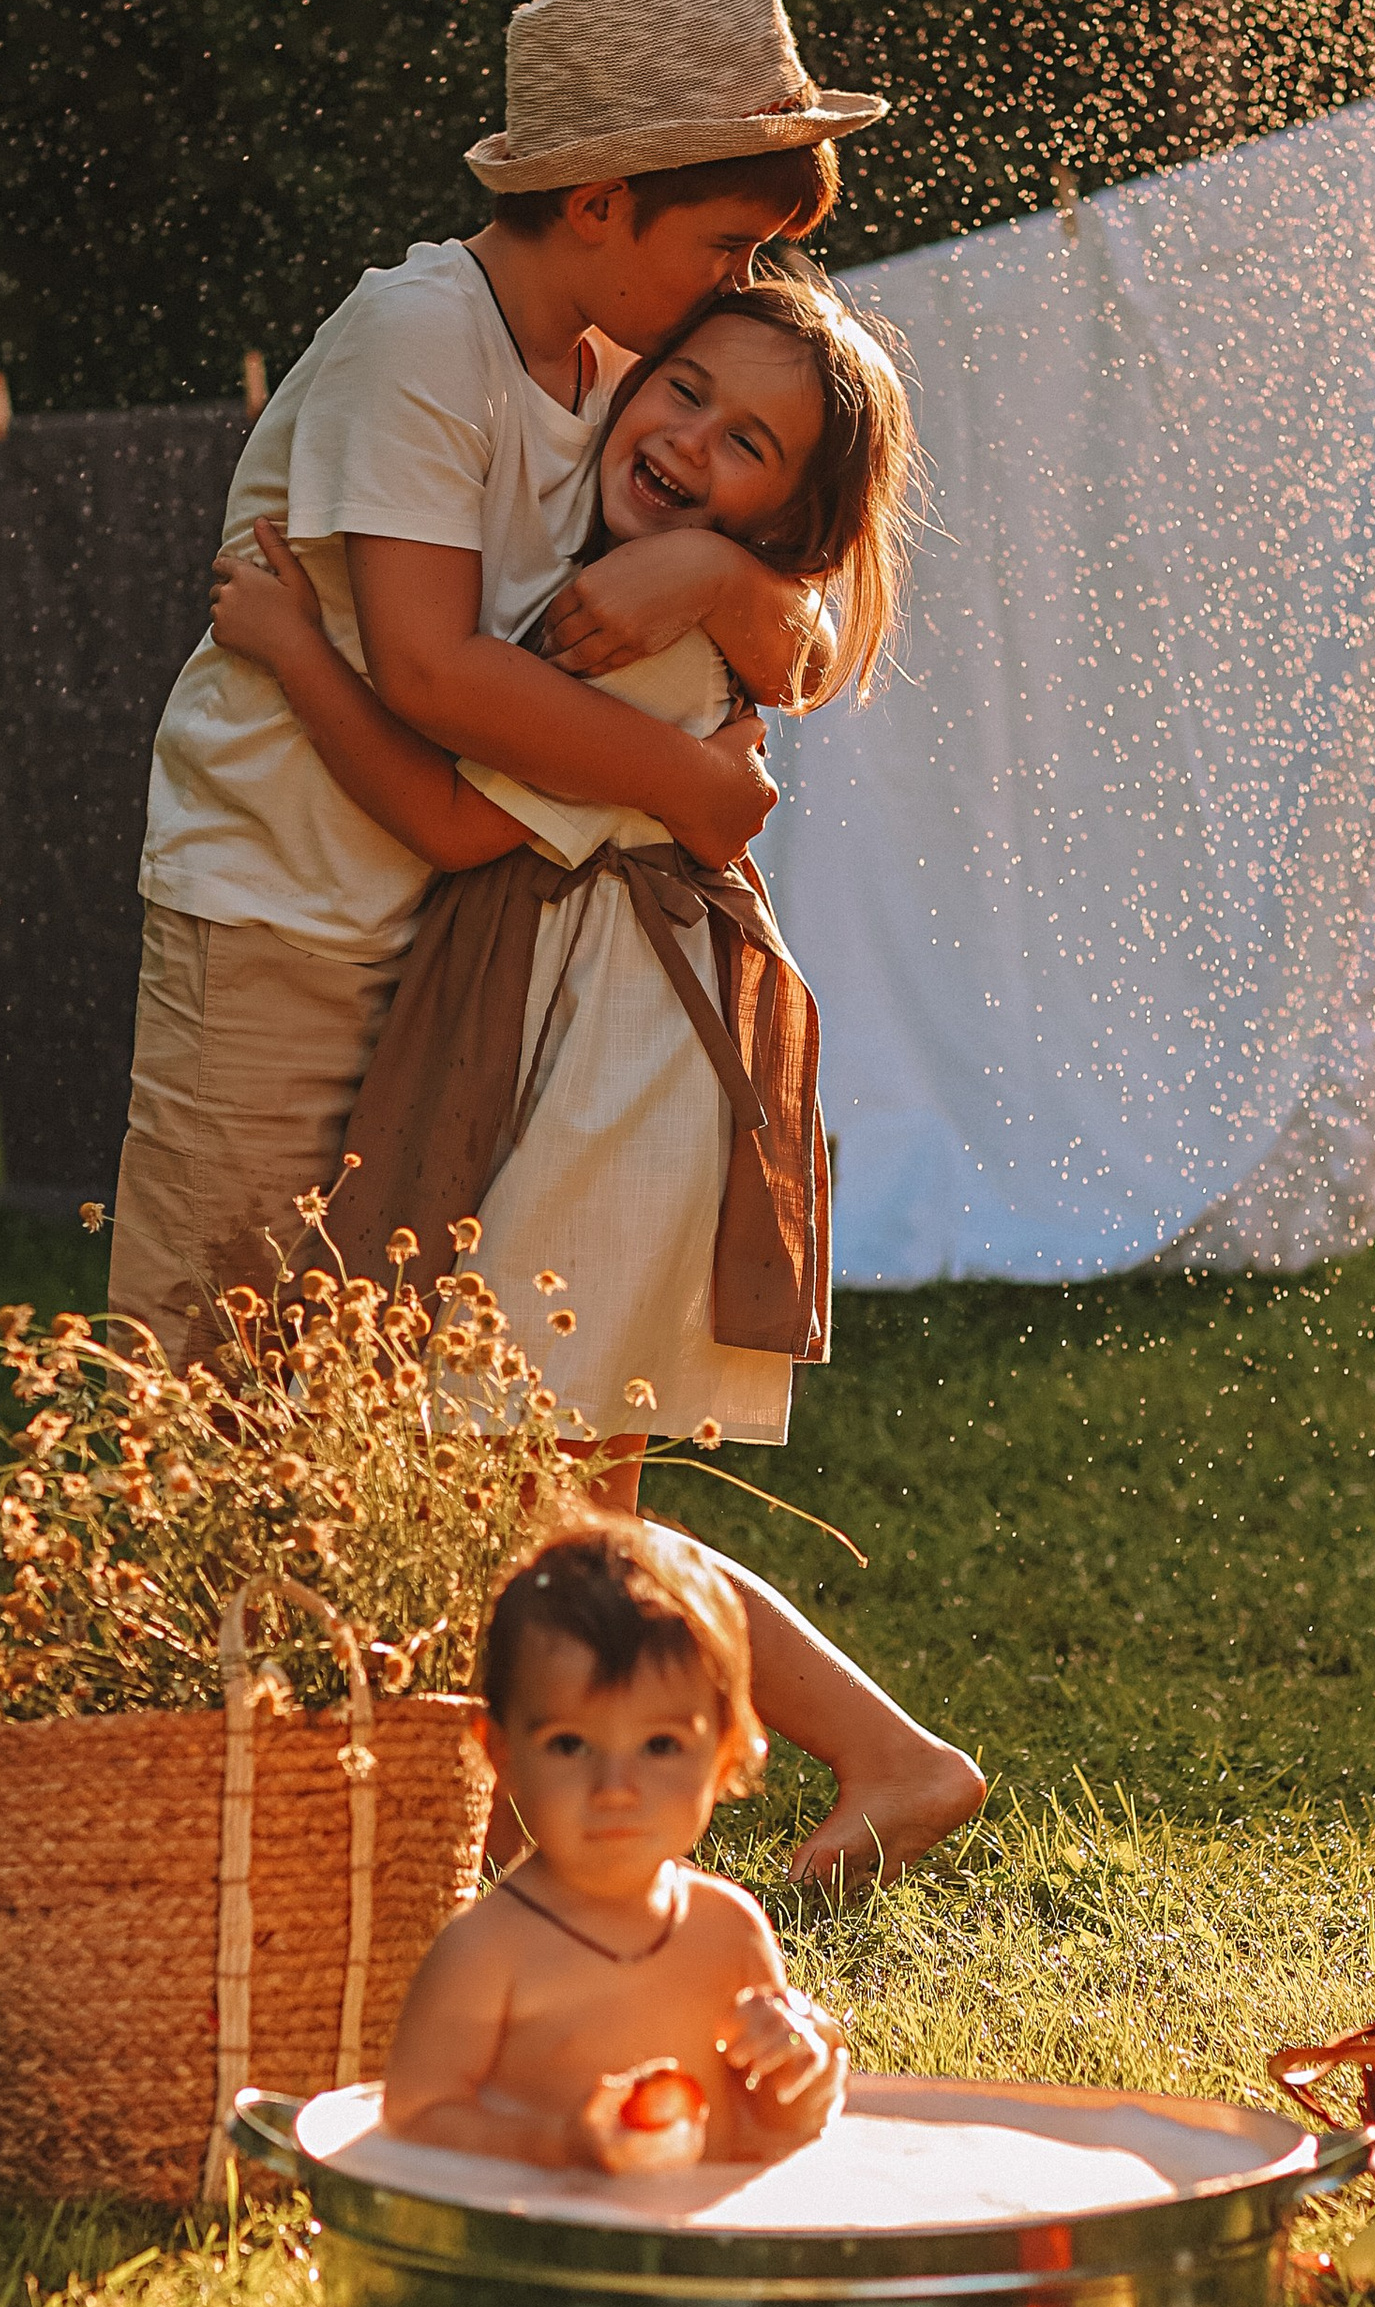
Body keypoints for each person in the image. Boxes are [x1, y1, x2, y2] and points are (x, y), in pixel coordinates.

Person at [119, 0, 983, 1886]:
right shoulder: (423, 341)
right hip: (289, 910)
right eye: (714, 253)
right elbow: (433, 674)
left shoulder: (617, 373)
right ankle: (197, 1810)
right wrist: (686, 758)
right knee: (223, 1364)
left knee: (461, 1434)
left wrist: (710, 590)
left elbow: (804, 603)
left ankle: (352, 1832)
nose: (729, 303)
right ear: (598, 207)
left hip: (475, 960)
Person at [205, 271, 911, 1462]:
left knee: (541, 1463)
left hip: (613, 1068)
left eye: (744, 442)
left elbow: (448, 822)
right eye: (682, 389)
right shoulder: (650, 587)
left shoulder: (635, 635)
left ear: (786, 522)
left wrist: (296, 653)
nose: (688, 439)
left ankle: (637, 1654)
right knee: (554, 1467)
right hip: (596, 1038)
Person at [379, 1517, 849, 2172]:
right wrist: (559, 2146)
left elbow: (763, 2129)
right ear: (501, 1755)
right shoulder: (488, 1951)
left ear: (726, 1754)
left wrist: (801, 2070)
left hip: (692, 2260)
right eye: (570, 1745)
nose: (616, 1789)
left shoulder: (729, 1932)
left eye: (660, 1746)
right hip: (542, 2250)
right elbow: (412, 2117)